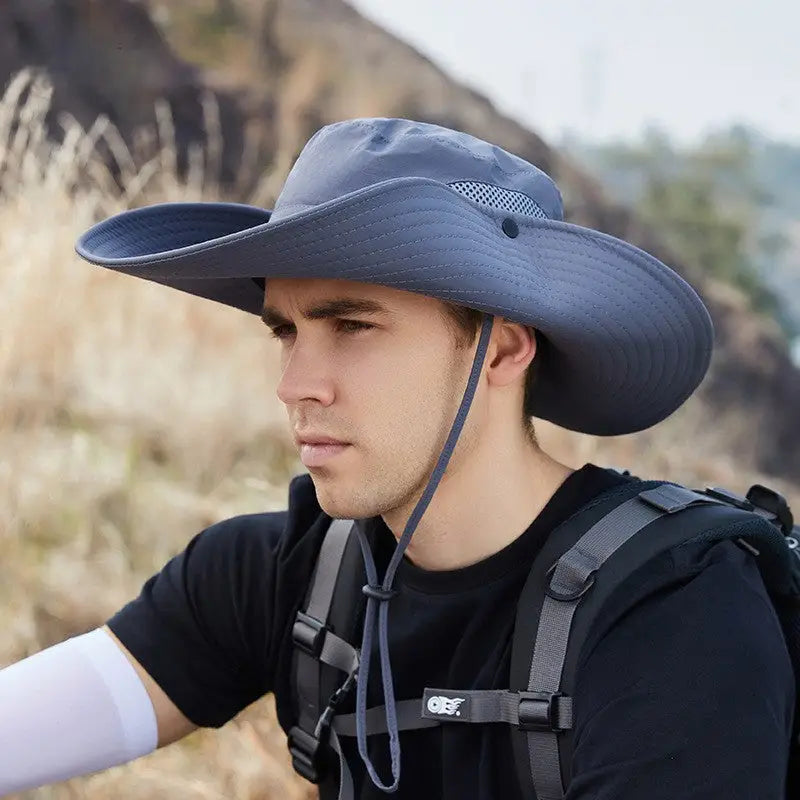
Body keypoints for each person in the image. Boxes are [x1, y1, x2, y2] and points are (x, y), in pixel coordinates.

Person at [0, 117, 794, 799]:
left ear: (502, 350)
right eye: (286, 330)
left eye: (352, 326)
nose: (295, 384)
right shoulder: (288, 577)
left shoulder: (677, 613)